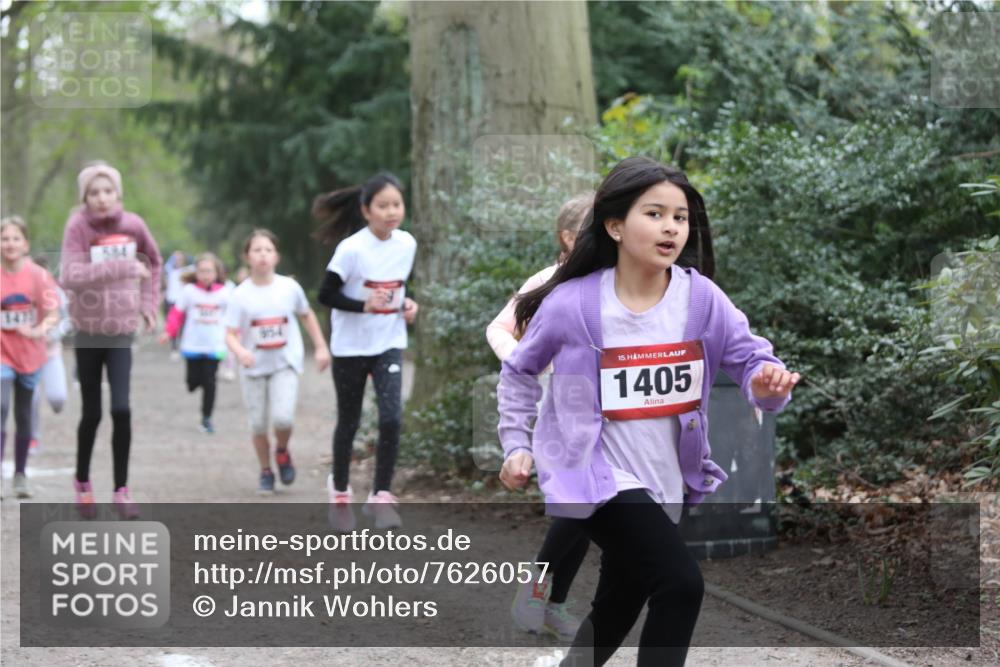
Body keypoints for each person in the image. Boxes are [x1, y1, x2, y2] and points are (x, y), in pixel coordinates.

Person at [497, 157, 800, 667]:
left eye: (680, 217)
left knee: (619, 601)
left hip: (666, 478)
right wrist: (517, 445)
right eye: (655, 214)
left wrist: (767, 383)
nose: (671, 227)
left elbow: (753, 362)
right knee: (681, 585)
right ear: (614, 226)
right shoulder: (572, 304)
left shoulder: (700, 298)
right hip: (594, 474)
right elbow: (520, 372)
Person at [486, 194, 594, 640]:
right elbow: (498, 328)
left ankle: (553, 602)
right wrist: (527, 361)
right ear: (568, 237)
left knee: (590, 507)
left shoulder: (610, 280)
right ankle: (536, 591)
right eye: (594, 226)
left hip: (600, 409)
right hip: (557, 405)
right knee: (579, 504)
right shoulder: (548, 280)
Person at [313, 171, 418, 531]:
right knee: (351, 421)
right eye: (383, 205)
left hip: (388, 342)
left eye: (397, 205)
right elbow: (325, 295)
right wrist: (363, 306)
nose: (391, 212)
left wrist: (408, 305)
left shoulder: (406, 244)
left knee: (391, 418)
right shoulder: (352, 249)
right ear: (366, 210)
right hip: (350, 346)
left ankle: (380, 497)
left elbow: (399, 288)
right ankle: (340, 493)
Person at [60, 162, 162, 519]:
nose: (101, 199)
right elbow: (70, 276)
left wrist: (149, 303)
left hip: (120, 329)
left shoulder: (133, 225)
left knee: (122, 408)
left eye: (107, 191)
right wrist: (122, 268)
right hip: (87, 332)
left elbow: (153, 262)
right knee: (92, 412)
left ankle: (121, 490)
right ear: (85, 198)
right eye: (94, 193)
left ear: (118, 194)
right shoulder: (78, 227)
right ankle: (83, 484)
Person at [225, 229, 330, 495]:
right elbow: (229, 334)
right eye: (257, 250)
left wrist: (320, 347)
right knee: (258, 424)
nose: (263, 255)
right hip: (253, 367)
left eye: (268, 250)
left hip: (285, 363)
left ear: (277, 256)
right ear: (247, 256)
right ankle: (265, 471)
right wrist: (240, 352)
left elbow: (306, 316)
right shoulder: (240, 295)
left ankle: (282, 451)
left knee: (282, 419)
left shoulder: (289, 287)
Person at [1, 217, 59, 498]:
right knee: (0, 407)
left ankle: (20, 475)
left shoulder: (37, 275)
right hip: (1, 353)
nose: (9, 244)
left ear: (25, 244)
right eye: (4, 238)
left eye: (15, 238)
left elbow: (53, 314)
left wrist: (38, 330)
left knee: (24, 415)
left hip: (30, 354)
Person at [160, 252, 231, 434]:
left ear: (216, 272)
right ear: (196, 273)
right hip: (192, 345)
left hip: (215, 346)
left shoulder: (224, 294)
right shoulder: (189, 292)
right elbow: (176, 313)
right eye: (202, 271)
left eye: (209, 271)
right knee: (192, 383)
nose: (205, 275)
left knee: (210, 381)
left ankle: (207, 418)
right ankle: (195, 383)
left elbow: (234, 317)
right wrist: (169, 332)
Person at [27, 254, 70, 453]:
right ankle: (32, 438)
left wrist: (54, 334)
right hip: (27, 355)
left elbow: (68, 320)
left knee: (58, 397)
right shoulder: (20, 291)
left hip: (51, 353)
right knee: (31, 398)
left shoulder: (57, 292)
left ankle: (57, 405)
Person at [163, 250, 192, 359]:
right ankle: (174, 347)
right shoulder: (169, 270)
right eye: (175, 258)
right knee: (173, 323)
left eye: (180, 258)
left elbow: (194, 263)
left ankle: (183, 345)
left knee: (184, 324)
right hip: (171, 300)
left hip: (184, 301)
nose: (177, 260)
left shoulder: (187, 271)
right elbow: (166, 266)